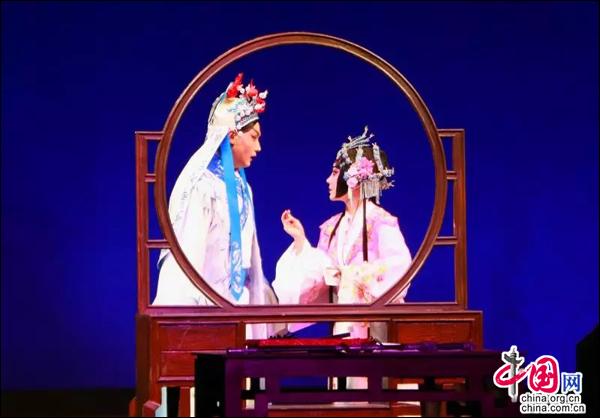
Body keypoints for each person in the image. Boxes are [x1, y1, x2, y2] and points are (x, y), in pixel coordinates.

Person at [153, 73, 280, 339]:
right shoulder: (202, 187)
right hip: (205, 313)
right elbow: (186, 259)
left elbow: (249, 262)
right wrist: (180, 327)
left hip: (239, 310)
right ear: (232, 135)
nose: (259, 147)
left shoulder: (243, 188)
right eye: (254, 137)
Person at [272, 125, 413, 349]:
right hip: (342, 325)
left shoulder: (380, 221)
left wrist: (353, 275)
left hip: (374, 325)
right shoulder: (332, 227)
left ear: (353, 178)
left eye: (335, 173)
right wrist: (300, 240)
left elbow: (400, 266)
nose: (328, 180)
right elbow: (320, 276)